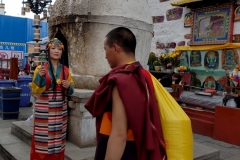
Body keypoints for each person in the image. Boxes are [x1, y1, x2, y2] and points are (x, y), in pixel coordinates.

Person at [85, 27, 166, 160]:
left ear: (115, 48)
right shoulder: (144, 74)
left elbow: (119, 134)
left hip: (124, 151)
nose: (105, 55)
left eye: (105, 49)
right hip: (137, 146)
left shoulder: (123, 79)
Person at [30, 38, 74, 160]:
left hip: (60, 108)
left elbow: (71, 88)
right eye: (53, 48)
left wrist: (68, 86)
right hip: (44, 108)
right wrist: (40, 77)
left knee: (58, 138)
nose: (56, 51)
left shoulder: (65, 70)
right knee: (42, 139)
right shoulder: (40, 68)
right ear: (48, 51)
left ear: (62, 52)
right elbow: (35, 89)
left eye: (59, 49)